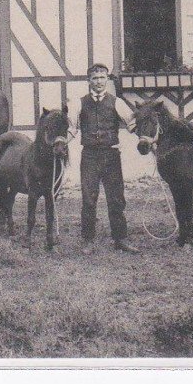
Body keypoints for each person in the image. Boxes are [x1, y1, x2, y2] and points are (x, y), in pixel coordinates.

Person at [76, 63, 139, 254]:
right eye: (95, 78)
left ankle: (120, 239)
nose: (99, 82)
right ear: (89, 81)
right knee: (89, 199)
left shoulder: (117, 102)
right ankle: (88, 241)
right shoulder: (80, 103)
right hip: (89, 156)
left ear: (107, 79)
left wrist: (148, 140)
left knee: (116, 199)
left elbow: (133, 125)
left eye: (102, 77)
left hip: (111, 156)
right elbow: (70, 128)